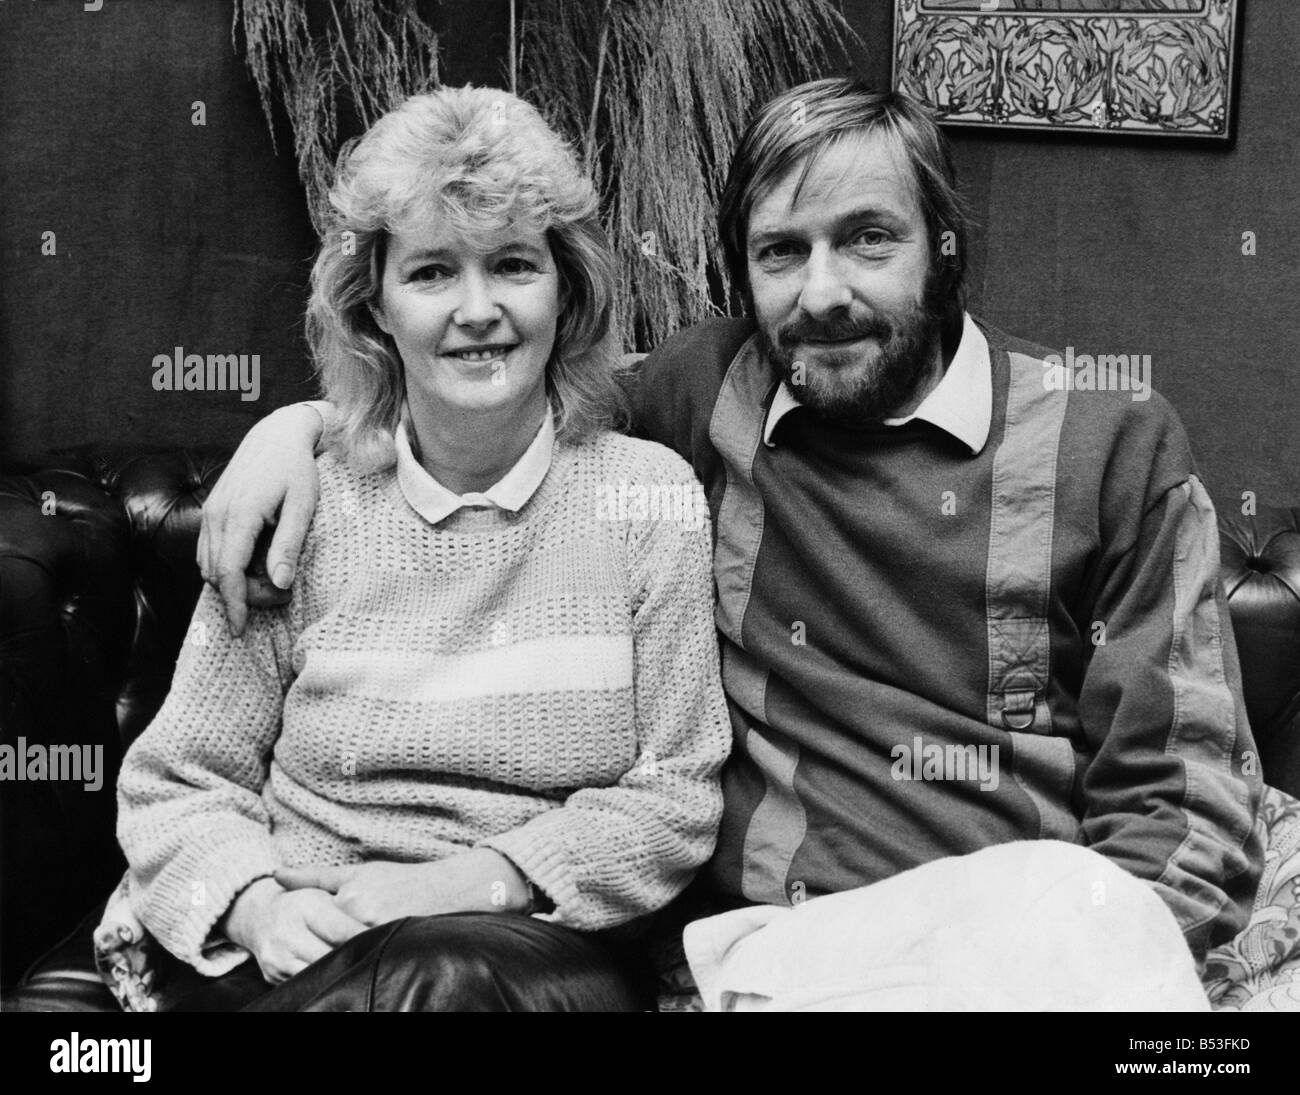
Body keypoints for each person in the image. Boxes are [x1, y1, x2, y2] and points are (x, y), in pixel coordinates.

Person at [200, 80, 1262, 1011]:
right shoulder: (702, 395)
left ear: (947, 249)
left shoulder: (1109, 440)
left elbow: (1178, 802)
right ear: (741, 275)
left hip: (1018, 931)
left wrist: (1104, 980)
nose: (823, 291)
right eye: (779, 252)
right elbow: (485, 391)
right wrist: (297, 432)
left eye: (868, 239)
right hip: (780, 953)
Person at [104, 85, 731, 1013]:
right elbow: (177, 779)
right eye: (433, 272)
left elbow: (676, 795)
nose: (477, 309)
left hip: (525, 951)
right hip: (301, 944)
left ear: (569, 289)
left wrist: (470, 882)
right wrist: (255, 907)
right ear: (375, 312)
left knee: (441, 985)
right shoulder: (306, 501)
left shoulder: (646, 499)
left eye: (514, 265)